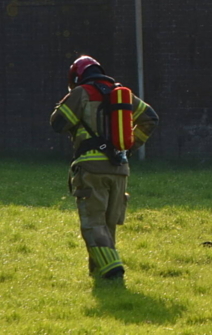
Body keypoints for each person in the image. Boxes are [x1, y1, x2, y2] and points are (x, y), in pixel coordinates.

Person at [50, 55, 159, 280]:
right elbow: (150, 118)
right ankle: (100, 276)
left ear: (77, 77)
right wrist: (129, 147)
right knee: (107, 226)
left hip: (91, 169)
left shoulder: (82, 93)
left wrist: (69, 103)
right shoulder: (123, 95)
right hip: (119, 168)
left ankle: (114, 269)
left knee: (92, 224)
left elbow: (58, 123)